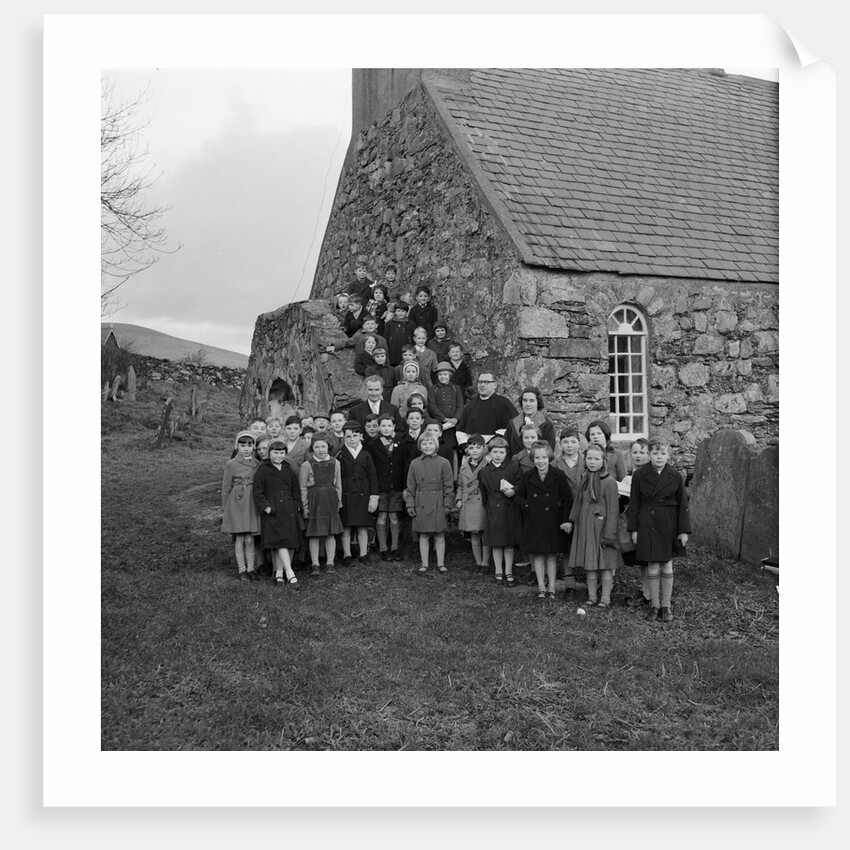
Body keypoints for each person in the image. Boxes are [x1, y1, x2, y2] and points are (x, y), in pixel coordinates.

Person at [626, 439, 691, 623]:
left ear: (668, 455)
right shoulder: (640, 475)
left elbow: (683, 505)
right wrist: (634, 529)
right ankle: (654, 605)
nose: (659, 457)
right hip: (647, 521)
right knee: (653, 565)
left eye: (662, 453)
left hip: (668, 523)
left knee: (667, 564)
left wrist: (683, 531)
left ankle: (666, 605)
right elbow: (635, 503)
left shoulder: (676, 476)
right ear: (649, 455)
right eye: (655, 453)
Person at [565, 443, 622, 609]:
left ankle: (605, 598)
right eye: (589, 458)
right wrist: (572, 520)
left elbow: (613, 510)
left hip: (603, 529)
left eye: (596, 459)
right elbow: (577, 503)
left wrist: (609, 534)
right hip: (585, 527)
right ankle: (591, 596)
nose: (592, 462)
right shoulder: (583, 479)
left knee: (605, 565)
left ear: (603, 461)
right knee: (589, 564)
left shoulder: (610, 482)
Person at [514, 442, 573, 601]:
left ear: (549, 458)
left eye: (544, 457)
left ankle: (552, 587)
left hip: (553, 520)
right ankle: (541, 587)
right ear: (533, 459)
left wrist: (565, 519)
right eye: (537, 458)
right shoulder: (528, 476)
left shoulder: (558, 475)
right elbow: (518, 496)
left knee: (551, 556)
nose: (540, 461)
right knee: (538, 555)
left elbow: (567, 499)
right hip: (535, 521)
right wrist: (527, 507)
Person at [252, 440, 304, 588]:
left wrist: (296, 504)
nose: (279, 456)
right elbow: (258, 492)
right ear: (269, 453)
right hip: (273, 510)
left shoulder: (288, 469)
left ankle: (279, 574)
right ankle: (290, 573)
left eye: (282, 453)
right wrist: (267, 508)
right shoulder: (263, 470)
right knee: (280, 541)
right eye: (275, 452)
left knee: (286, 542)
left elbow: (295, 489)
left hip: (288, 509)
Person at [404, 433, 455, 574]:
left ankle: (440, 563)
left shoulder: (444, 463)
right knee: (424, 535)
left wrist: (447, 504)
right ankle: (424, 563)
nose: (427, 447)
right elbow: (410, 487)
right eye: (424, 444)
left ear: (436, 445)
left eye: (430, 443)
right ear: (420, 446)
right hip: (421, 501)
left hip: (438, 501)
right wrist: (410, 504)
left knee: (439, 535)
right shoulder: (414, 464)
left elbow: (449, 486)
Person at [478, 435, 523, 586]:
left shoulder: (512, 467)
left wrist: (514, 491)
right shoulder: (484, 472)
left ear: (506, 453)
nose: (498, 455)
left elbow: (520, 484)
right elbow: (483, 493)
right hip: (493, 507)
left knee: (509, 543)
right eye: (495, 452)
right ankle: (498, 570)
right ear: (489, 453)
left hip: (509, 506)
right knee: (496, 542)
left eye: (502, 452)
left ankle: (508, 571)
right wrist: (489, 505)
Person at [299, 433, 343, 576]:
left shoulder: (335, 463)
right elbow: (303, 487)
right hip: (314, 500)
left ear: (328, 447)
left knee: (331, 533)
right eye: (317, 447)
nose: (320, 449)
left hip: (330, 499)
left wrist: (338, 502)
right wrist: (305, 506)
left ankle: (330, 563)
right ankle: (315, 564)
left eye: (323, 446)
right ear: (312, 448)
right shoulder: (307, 465)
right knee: (314, 534)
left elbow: (338, 485)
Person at [337, 420, 379, 567]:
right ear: (344, 437)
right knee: (346, 527)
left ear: (361, 436)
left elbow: (372, 476)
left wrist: (373, 497)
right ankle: (347, 554)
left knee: (362, 526)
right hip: (346, 493)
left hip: (362, 492)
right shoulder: (340, 454)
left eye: (355, 436)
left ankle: (363, 554)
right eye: (348, 436)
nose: (352, 439)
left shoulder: (366, 454)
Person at [221, 431, 262, 581]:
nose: (246, 448)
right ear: (237, 446)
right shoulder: (231, 464)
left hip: (252, 502)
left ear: (254, 446)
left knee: (250, 538)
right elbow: (226, 487)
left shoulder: (257, 464)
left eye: (250, 445)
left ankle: (251, 568)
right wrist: (225, 508)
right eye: (242, 445)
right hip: (237, 501)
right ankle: (242, 569)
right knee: (239, 537)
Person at [366, 413, 405, 561]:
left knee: (394, 516)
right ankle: (383, 548)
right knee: (382, 515)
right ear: (378, 427)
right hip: (380, 486)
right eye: (383, 425)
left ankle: (395, 547)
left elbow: (403, 464)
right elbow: (371, 468)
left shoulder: (400, 443)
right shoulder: (372, 445)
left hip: (396, 485)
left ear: (394, 427)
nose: (386, 428)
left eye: (389, 425)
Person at [552, 427, 584, 598]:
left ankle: (593, 582)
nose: (569, 445)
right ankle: (569, 585)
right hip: (563, 511)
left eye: (573, 441)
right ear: (560, 444)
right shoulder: (555, 464)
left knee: (587, 545)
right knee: (567, 548)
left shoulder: (588, 461)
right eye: (565, 442)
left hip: (585, 511)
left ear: (579, 444)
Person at [618, 438, 651, 606]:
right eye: (635, 452)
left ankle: (648, 592)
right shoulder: (628, 478)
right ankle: (645, 589)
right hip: (634, 521)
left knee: (649, 558)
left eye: (642, 452)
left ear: (649, 455)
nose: (638, 456)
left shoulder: (650, 475)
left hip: (648, 521)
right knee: (641, 558)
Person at [456, 373, 518, 447]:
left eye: (486, 382)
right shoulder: (470, 405)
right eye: (480, 382)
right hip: (472, 449)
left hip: (495, 448)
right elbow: (461, 430)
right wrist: (466, 446)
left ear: (495, 385)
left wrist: (490, 444)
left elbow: (511, 426)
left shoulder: (504, 403)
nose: (482, 385)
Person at [455, 434, 489, 572]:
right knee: (474, 535)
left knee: (485, 535)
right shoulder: (463, 466)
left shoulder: (488, 465)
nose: (474, 450)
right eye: (471, 448)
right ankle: (478, 562)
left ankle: (486, 563)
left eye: (478, 447)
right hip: (468, 503)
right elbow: (461, 486)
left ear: (484, 448)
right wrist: (458, 499)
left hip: (483, 503)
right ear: (467, 450)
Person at [428, 362, 465, 465]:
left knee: (453, 449)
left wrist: (456, 418)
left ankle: (454, 475)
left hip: (454, 425)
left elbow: (460, 405)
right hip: (441, 425)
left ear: (449, 375)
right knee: (439, 447)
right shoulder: (433, 389)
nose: (442, 377)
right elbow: (432, 406)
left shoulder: (456, 388)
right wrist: (444, 419)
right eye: (440, 375)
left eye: (445, 374)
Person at [506, 386, 557, 457]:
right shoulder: (512, 424)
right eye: (525, 400)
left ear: (538, 403)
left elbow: (549, 453)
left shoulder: (547, 425)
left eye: (532, 401)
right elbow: (506, 450)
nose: (528, 404)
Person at [383, 300, 416, 366]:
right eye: (398, 311)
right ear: (395, 312)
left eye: (403, 311)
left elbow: (414, 338)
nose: (401, 313)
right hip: (393, 351)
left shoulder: (411, 324)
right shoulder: (389, 324)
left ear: (406, 312)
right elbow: (385, 338)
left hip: (407, 352)